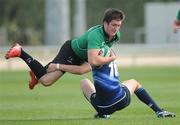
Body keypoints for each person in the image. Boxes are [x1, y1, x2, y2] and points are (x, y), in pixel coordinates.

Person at [5, 8, 124, 90]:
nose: (116, 29)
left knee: (45, 76)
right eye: (113, 25)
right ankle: (20, 52)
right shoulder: (95, 36)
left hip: (83, 57)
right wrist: (111, 58)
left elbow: (104, 50)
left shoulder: (116, 35)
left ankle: (36, 75)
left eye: (119, 25)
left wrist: (107, 55)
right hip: (70, 52)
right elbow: (91, 63)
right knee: (46, 81)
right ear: (105, 23)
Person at [56, 59, 176, 118]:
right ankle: (159, 111)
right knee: (134, 82)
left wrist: (58, 66)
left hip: (101, 107)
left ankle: (103, 115)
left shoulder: (95, 55)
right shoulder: (108, 51)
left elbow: (81, 70)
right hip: (121, 100)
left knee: (84, 82)